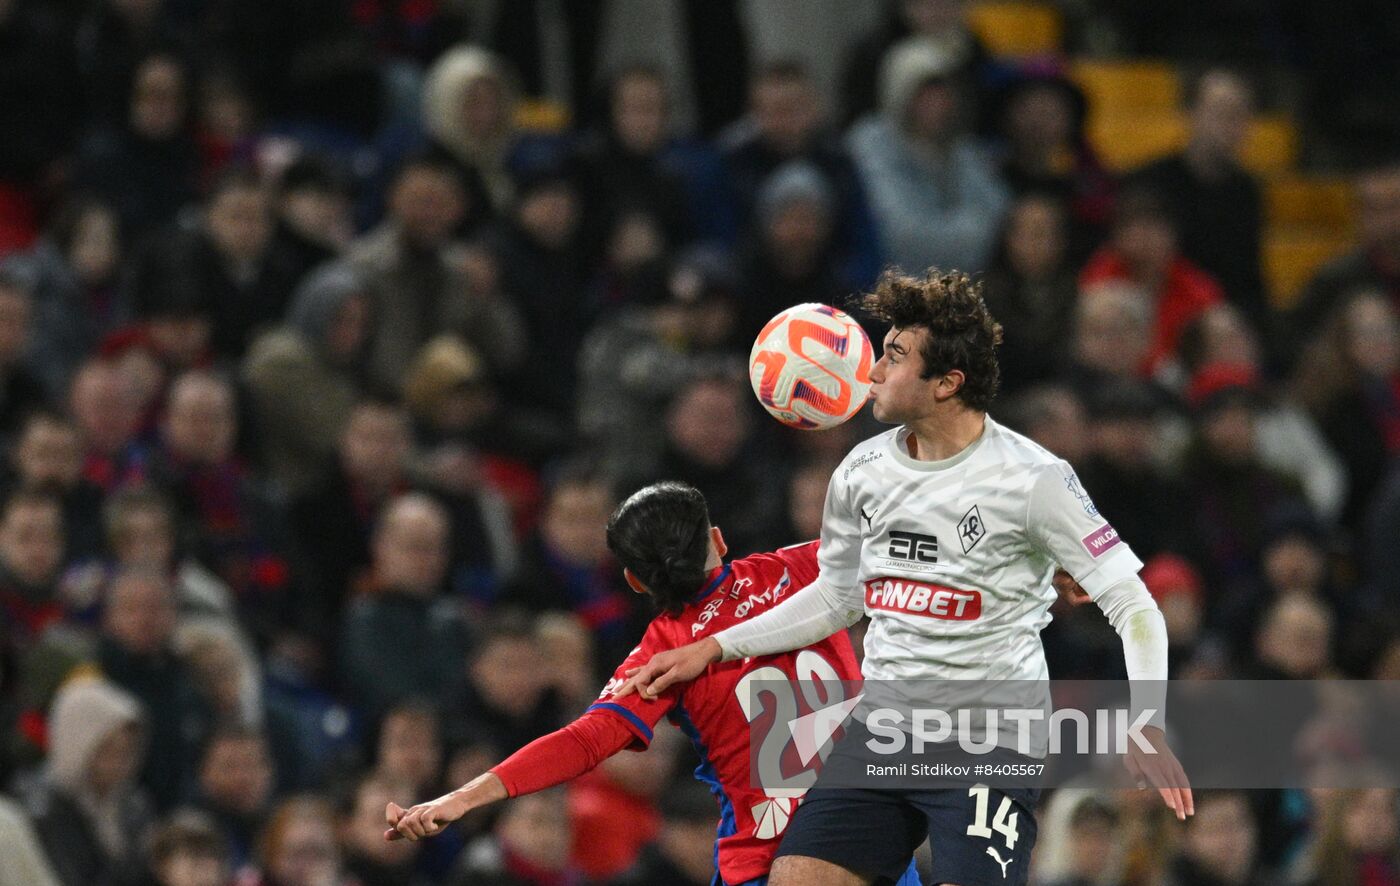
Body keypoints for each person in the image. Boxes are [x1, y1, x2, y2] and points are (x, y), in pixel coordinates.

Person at [618, 270, 1192, 886]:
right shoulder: (862, 470)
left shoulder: (1033, 479)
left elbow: (1133, 603)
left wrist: (1147, 720)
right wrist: (714, 645)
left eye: (892, 356)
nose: (870, 373)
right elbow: (837, 597)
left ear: (947, 383)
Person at [384, 481, 920, 886]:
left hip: (771, 859)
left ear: (635, 581)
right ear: (717, 539)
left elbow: (583, 742)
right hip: (876, 843)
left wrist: (463, 796)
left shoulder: (662, 657)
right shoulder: (806, 571)